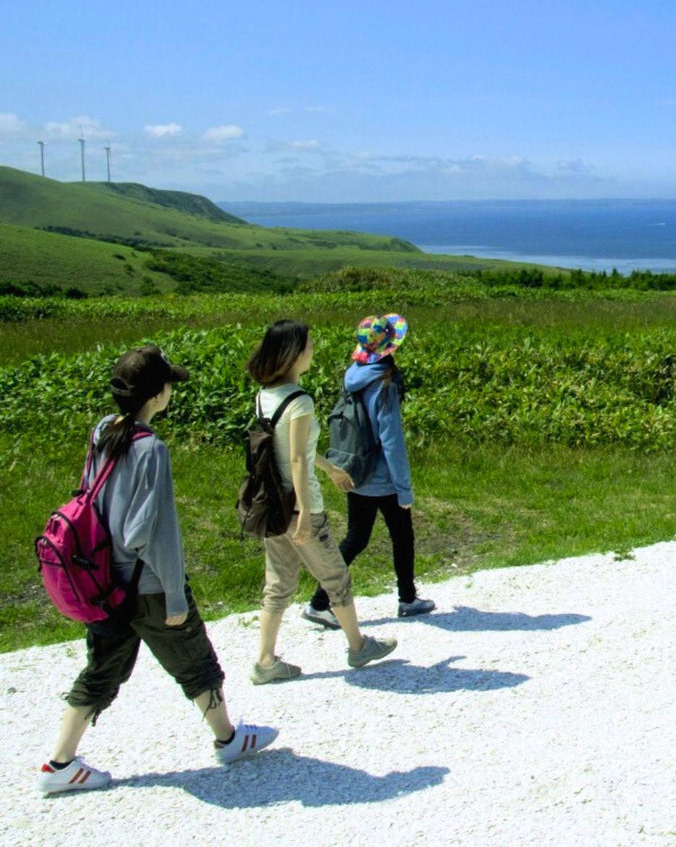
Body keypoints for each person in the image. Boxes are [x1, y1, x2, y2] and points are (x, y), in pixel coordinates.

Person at [39, 346, 278, 795]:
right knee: (195, 660)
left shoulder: (102, 432)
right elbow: (153, 534)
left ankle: (60, 765)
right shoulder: (152, 450)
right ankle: (229, 740)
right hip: (146, 583)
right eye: (168, 384)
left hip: (104, 579)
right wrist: (173, 596)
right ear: (157, 394)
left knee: (102, 669)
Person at [245, 320, 396, 684]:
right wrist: (305, 514)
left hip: (272, 505)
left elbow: (289, 449)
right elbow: (297, 458)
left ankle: (265, 661)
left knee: (278, 583)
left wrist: (329, 468)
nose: (313, 350)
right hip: (301, 506)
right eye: (309, 345)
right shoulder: (300, 400)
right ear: (294, 353)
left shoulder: (264, 395)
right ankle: (358, 647)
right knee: (335, 576)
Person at [303, 312, 435, 629]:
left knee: (356, 539)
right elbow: (392, 442)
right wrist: (404, 488)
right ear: (390, 348)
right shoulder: (385, 384)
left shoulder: (354, 375)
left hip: (355, 471)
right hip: (383, 479)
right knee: (402, 536)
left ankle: (320, 602)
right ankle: (407, 599)